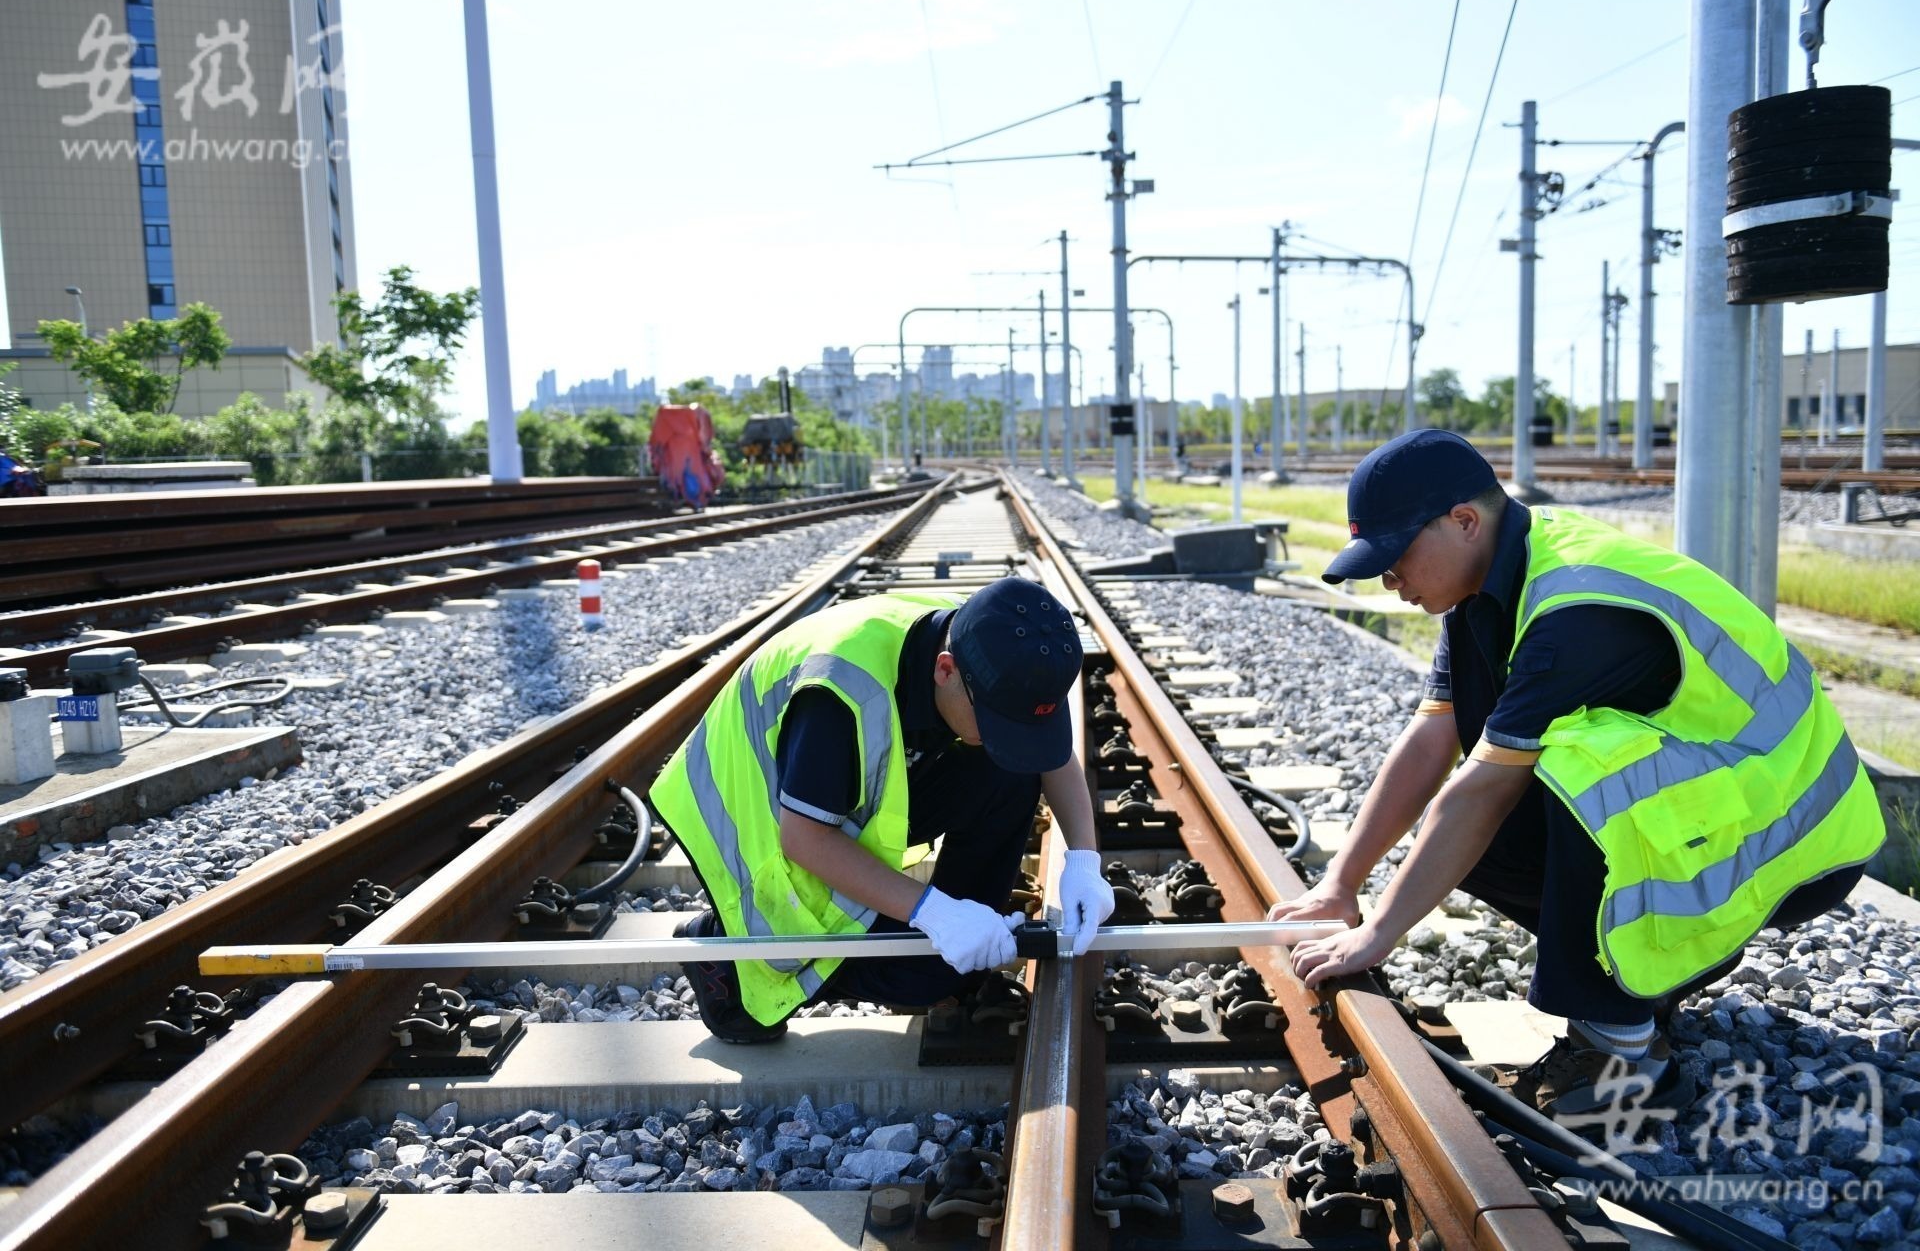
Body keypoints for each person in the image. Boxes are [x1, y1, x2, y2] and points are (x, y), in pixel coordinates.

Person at [1269, 429, 1883, 1119]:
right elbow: (1433, 735)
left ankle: (1622, 1047)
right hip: (1727, 816)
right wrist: (1340, 887)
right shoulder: (1492, 578)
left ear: (1463, 522)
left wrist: (1379, 931)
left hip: (1795, 834)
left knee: (1564, 770)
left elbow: (1483, 790)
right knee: (1476, 818)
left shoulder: (1574, 608)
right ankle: (1651, 972)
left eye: (1395, 559)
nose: (1390, 580)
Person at [651, 576, 1116, 1043]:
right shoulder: (839, 695)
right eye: (995, 721)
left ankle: (969, 940)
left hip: (833, 788)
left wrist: (1084, 862)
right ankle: (723, 952)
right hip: (759, 818)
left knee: (1012, 770)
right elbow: (804, 840)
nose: (1004, 735)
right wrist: (937, 915)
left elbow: (1049, 755)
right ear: (945, 670)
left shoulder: (984, 639)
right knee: (923, 976)